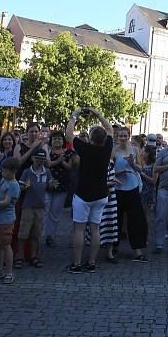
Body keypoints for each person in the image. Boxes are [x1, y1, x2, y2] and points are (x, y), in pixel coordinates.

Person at [64, 107, 114, 273]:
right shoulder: (107, 148)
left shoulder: (85, 148)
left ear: (91, 139)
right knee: (95, 228)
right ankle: (91, 262)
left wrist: (74, 115)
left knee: (79, 229)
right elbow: (110, 129)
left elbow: (69, 134)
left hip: (83, 194)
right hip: (101, 194)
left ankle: (77, 264)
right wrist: (98, 114)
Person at [111, 126, 148, 263]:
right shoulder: (113, 151)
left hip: (132, 187)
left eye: (125, 136)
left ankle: (137, 250)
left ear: (129, 136)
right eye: (120, 136)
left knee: (136, 219)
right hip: (118, 187)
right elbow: (109, 170)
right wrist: (119, 173)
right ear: (117, 137)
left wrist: (132, 164)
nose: (123, 138)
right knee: (117, 219)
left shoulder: (135, 150)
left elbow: (140, 169)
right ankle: (113, 247)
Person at [16, 149, 53, 269]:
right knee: (23, 233)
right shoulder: (27, 172)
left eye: (42, 160)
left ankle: (34, 256)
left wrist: (52, 185)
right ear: (32, 159)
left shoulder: (47, 172)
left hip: (40, 207)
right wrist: (24, 186)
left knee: (36, 234)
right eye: (38, 159)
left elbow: (50, 185)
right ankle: (19, 256)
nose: (40, 162)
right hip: (28, 206)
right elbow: (20, 186)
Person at [44, 131, 75, 247]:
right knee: (45, 211)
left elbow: (70, 167)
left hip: (62, 186)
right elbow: (46, 165)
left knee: (55, 213)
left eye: (59, 139)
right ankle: (43, 235)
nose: (57, 141)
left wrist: (61, 161)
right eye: (55, 139)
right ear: (51, 141)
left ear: (63, 141)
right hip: (47, 186)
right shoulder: (47, 151)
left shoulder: (69, 153)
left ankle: (51, 236)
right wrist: (57, 161)